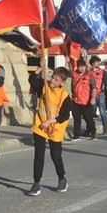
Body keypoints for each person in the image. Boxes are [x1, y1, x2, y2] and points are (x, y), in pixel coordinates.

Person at [27, 66, 74, 196]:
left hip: (55, 128)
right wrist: (39, 68)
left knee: (55, 155)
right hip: (40, 125)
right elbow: (31, 80)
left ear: (62, 83)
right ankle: (36, 184)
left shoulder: (65, 97)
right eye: (52, 77)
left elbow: (64, 116)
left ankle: (62, 179)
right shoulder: (44, 86)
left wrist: (50, 121)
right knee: (39, 156)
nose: (52, 81)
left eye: (56, 80)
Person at [68, 59, 99, 140]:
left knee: (88, 118)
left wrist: (93, 98)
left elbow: (94, 88)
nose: (81, 68)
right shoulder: (74, 74)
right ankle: (76, 135)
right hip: (75, 100)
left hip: (86, 101)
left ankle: (93, 133)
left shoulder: (89, 76)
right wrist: (68, 61)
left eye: (83, 67)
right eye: (80, 67)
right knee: (76, 119)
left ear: (85, 67)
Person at [90, 56, 107, 134]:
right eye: (96, 62)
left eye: (98, 62)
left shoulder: (103, 72)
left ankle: (105, 129)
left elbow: (106, 83)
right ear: (92, 63)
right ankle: (91, 129)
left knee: (103, 113)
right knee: (91, 113)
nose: (98, 63)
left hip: (101, 94)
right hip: (92, 95)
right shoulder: (89, 72)